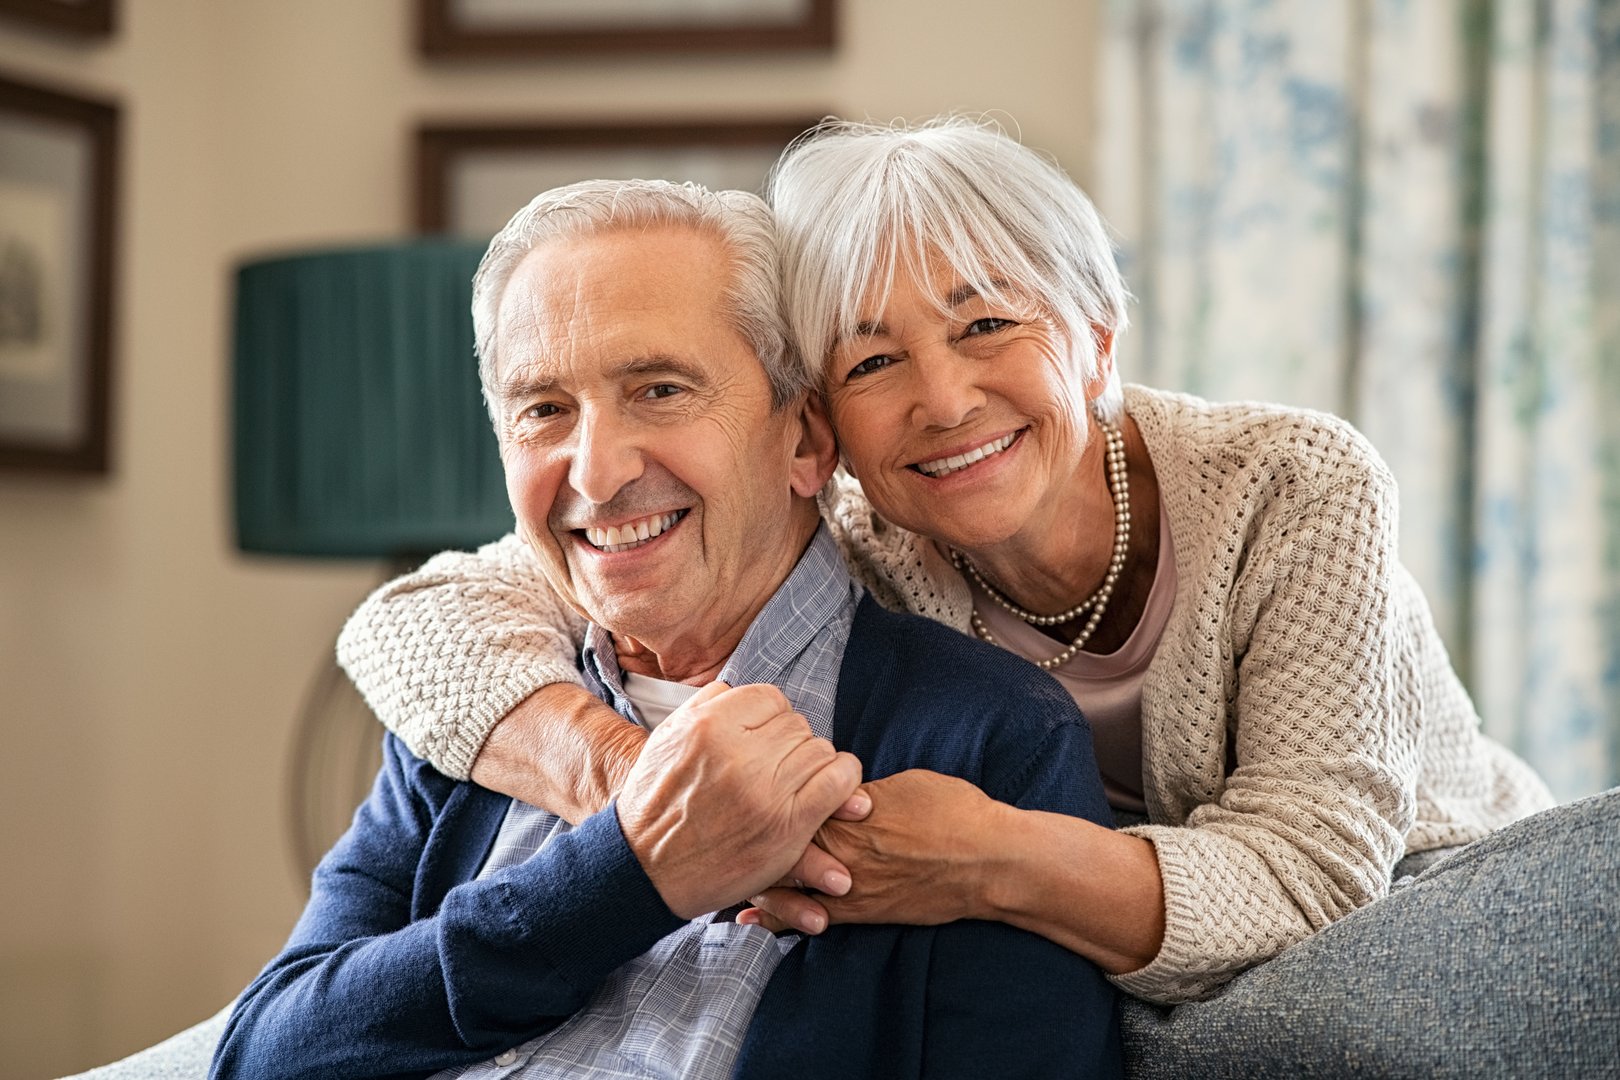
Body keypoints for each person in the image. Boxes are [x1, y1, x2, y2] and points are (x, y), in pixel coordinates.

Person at [337, 121, 1619, 1074]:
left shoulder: (1292, 484)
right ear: (821, 426)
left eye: (988, 326)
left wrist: (994, 860)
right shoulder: (851, 522)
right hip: (1128, 931)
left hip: (1412, 895)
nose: (941, 401)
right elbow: (416, 620)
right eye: (875, 359)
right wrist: (637, 778)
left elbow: (1320, 873)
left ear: (1099, 338)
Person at [213, 178, 1123, 1080]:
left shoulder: (985, 738)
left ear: (805, 440)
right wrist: (627, 877)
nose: (597, 473)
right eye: (545, 410)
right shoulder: (483, 714)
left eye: (659, 390)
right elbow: (258, 1056)